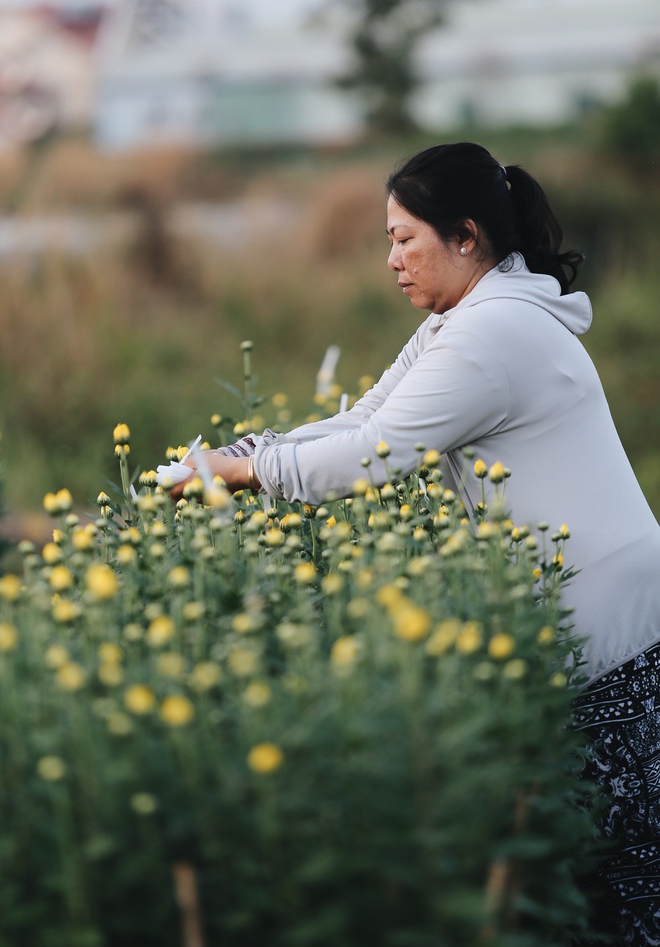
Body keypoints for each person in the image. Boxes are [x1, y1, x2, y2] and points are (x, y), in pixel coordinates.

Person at [171, 142, 660, 943]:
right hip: (598, 608)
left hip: (609, 623)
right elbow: (365, 415)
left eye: (405, 238)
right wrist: (249, 451)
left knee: (622, 874)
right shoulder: (470, 319)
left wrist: (242, 476)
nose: (391, 258)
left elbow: (375, 456)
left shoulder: (490, 334)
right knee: (603, 865)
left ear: (465, 236)